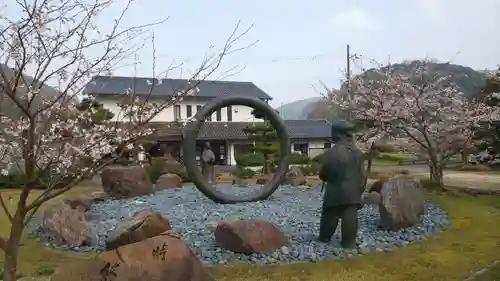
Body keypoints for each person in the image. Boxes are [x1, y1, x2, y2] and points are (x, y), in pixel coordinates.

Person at [317, 120, 366, 249]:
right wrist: (360, 189)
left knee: (330, 214)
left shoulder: (332, 152)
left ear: (336, 134)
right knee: (350, 215)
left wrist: (323, 176)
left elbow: (325, 172)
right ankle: (349, 242)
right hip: (352, 192)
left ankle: (325, 236)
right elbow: (363, 174)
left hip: (335, 191)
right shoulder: (357, 153)